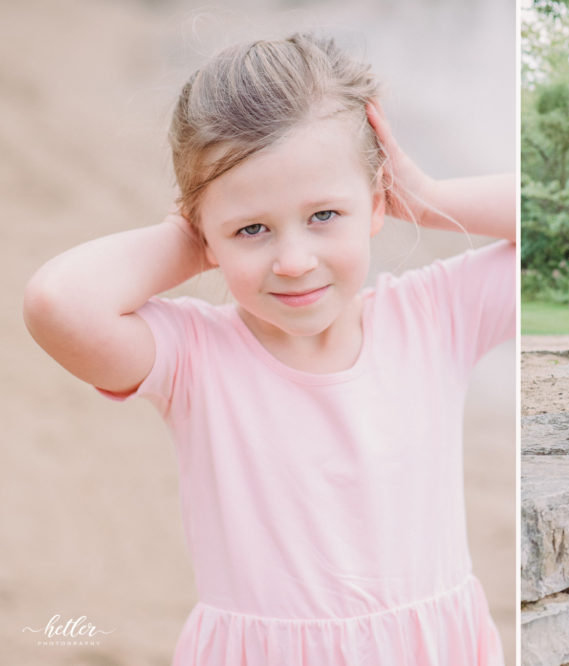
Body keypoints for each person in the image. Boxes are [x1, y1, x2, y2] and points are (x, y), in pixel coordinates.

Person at [23, 33, 514, 665]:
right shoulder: (193, 355)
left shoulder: (434, 314)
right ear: (203, 232)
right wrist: (195, 233)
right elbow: (57, 304)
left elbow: (552, 227)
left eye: (324, 215)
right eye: (252, 229)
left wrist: (432, 197)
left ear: (375, 200)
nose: (293, 260)